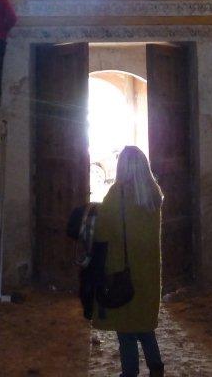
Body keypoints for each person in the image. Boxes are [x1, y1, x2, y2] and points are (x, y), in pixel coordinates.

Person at [93, 146, 164, 377]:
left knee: (125, 329)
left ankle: (130, 372)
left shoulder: (117, 194)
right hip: (148, 273)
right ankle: (156, 368)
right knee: (144, 325)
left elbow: (102, 232)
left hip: (123, 271)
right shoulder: (153, 194)